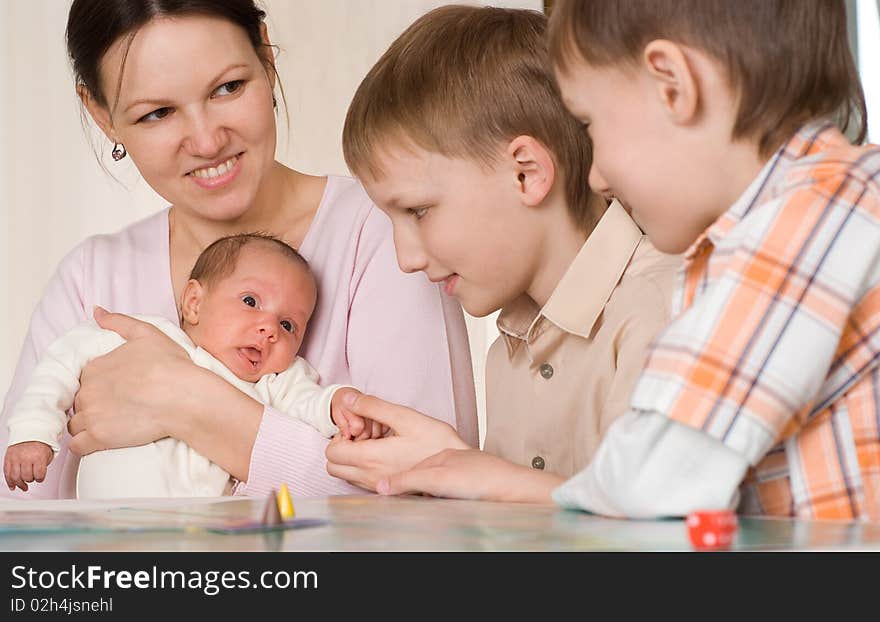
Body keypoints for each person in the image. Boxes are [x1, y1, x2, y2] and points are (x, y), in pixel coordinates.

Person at [0, 0, 477, 500]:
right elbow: (21, 517)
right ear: (102, 116)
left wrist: (190, 402)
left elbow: (430, 503)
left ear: (266, 57)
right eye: (157, 113)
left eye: (228, 87)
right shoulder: (91, 280)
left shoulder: (384, 232)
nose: (207, 141)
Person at [325, 5, 679, 503]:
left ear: (527, 173)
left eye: (418, 211)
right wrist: (445, 466)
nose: (405, 258)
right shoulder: (507, 352)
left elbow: (665, 526)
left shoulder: (664, 311)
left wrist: (482, 476)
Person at [5, 234, 382, 497]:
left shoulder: (274, 381)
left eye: (288, 325)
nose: (269, 329)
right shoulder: (141, 337)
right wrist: (32, 433)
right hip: (107, 527)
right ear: (194, 303)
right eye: (251, 301)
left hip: (203, 538)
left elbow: (308, 404)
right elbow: (58, 366)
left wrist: (338, 407)